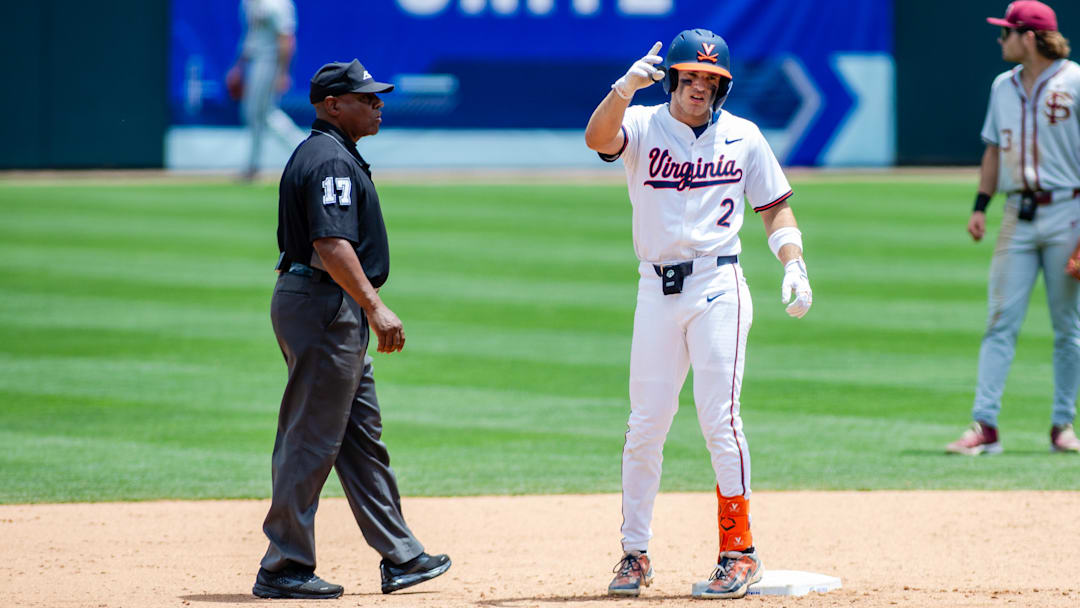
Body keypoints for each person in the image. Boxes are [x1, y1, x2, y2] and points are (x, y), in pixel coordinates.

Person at [584, 29, 813, 600]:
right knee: (645, 426)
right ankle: (634, 553)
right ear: (673, 80)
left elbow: (776, 209)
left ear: (723, 86)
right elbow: (597, 138)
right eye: (690, 77)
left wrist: (794, 264)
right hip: (654, 290)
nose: (699, 88)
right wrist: (622, 90)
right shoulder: (640, 125)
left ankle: (740, 552)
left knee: (720, 419)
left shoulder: (744, 137)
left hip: (718, 285)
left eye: (711, 80)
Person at [252, 59, 451, 600]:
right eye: (366, 98)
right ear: (331, 105)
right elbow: (330, 244)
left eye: (378, 97)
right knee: (311, 439)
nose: (377, 104)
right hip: (323, 305)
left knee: (360, 438)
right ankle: (283, 565)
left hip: (323, 304)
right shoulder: (329, 161)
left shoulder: (332, 154)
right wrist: (375, 307)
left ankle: (401, 556)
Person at [946, 1, 1080, 456]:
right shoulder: (1002, 86)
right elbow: (992, 150)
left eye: (1006, 32)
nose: (1000, 39)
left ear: (1029, 36)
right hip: (1016, 215)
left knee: (1067, 327)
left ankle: (1063, 425)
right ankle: (986, 426)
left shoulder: (1075, 81)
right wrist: (980, 205)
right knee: (1000, 321)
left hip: (1069, 212)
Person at [226, 0, 306, 181]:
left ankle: (305, 149)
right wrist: (238, 67)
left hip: (271, 61)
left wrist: (283, 73)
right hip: (255, 60)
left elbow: (287, 39)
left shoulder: (277, 4)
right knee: (256, 113)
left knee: (262, 113)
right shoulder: (249, 3)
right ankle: (254, 165)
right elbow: (250, 37)